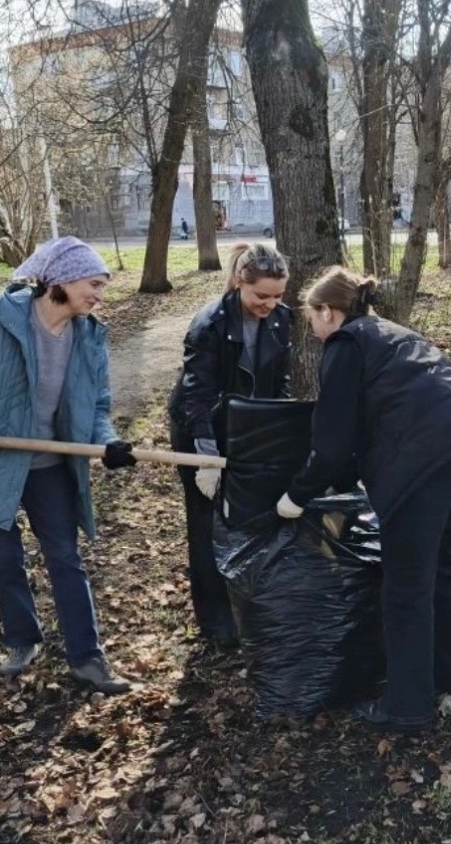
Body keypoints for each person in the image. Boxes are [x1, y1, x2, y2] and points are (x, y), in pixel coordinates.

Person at [276, 266, 451, 732]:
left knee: (405, 585)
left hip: (428, 459)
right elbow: (365, 429)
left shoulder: (345, 344)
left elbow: (332, 442)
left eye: (312, 318)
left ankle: (407, 708)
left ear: (328, 311)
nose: (313, 329)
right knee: (438, 567)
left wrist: (296, 495)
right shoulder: (389, 333)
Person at [0, 236, 137, 695]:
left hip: (51, 466)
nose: (99, 295)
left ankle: (87, 658)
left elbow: (96, 405)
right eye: (94, 283)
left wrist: (109, 442)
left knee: (65, 558)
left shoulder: (90, 336)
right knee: (5, 560)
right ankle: (21, 641)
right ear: (62, 280)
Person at [167, 242, 292, 647]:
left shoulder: (281, 319)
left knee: (250, 516)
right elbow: (196, 396)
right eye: (262, 296)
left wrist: (278, 430)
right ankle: (217, 622)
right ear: (241, 282)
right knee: (206, 524)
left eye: (278, 295)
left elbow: (280, 381)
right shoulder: (209, 325)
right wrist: (205, 457)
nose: (270, 304)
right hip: (201, 429)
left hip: (249, 428)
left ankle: (250, 607)